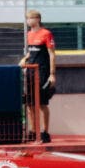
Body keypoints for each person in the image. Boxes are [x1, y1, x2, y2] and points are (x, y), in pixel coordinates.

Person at [21, 9, 57, 143]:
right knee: (30, 104)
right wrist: (24, 59)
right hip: (30, 71)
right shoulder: (29, 34)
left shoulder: (46, 33)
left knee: (42, 103)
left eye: (31, 18)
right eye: (27, 18)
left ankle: (45, 132)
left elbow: (52, 54)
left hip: (43, 71)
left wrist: (52, 74)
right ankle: (33, 131)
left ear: (38, 19)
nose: (28, 21)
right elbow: (31, 52)